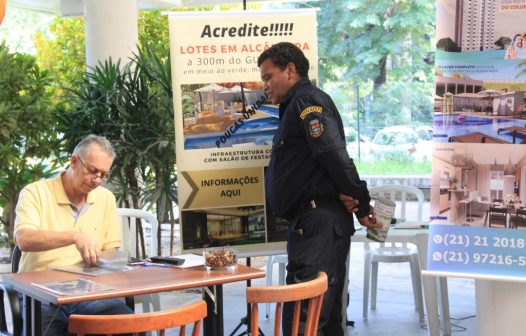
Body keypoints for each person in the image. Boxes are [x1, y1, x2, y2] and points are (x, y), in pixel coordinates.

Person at [258, 42, 380, 336]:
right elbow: (319, 164)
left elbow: (333, 155)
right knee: (319, 314)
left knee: (306, 316)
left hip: (317, 224)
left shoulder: (306, 102)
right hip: (314, 222)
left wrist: (362, 204)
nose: (265, 86)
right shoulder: (295, 106)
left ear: (290, 70)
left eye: (268, 76)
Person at [14, 134, 134, 335]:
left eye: (103, 174)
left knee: (130, 325)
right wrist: (75, 236)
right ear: (74, 161)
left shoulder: (105, 199)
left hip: (89, 292)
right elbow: (24, 239)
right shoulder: (35, 192)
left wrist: (103, 260)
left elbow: (110, 249)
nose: (97, 180)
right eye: (93, 171)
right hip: (40, 292)